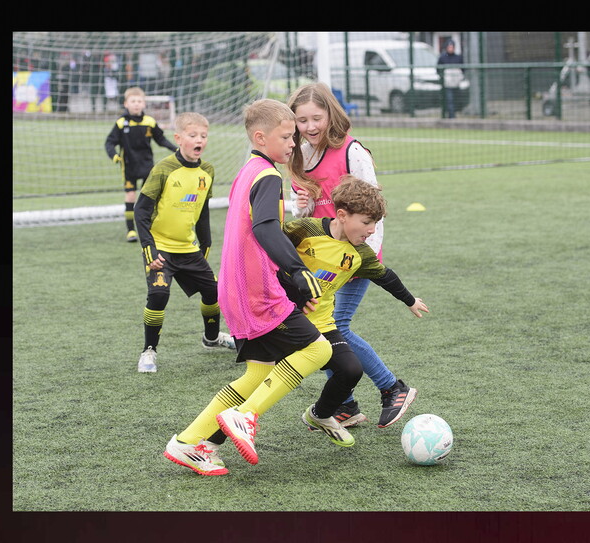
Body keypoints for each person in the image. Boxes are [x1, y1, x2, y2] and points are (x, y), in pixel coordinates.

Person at [163, 99, 332, 476]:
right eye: (286, 136)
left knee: (257, 375)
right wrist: (297, 270)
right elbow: (265, 229)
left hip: (236, 293)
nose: (294, 142)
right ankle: (244, 415)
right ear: (261, 137)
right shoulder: (269, 176)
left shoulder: (248, 171)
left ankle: (188, 443)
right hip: (256, 295)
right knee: (318, 349)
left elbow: (256, 236)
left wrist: (290, 284)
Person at [287, 82, 417, 430]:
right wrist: (300, 206)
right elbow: (305, 218)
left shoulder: (352, 151)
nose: (311, 126)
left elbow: (374, 208)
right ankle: (345, 405)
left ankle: (392, 388)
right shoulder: (298, 153)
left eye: (317, 117)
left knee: (335, 326)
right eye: (302, 120)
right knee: (319, 330)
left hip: (356, 258)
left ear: (331, 114)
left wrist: (368, 256)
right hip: (323, 259)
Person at [284, 176, 429, 446]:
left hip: (321, 325)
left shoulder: (359, 254)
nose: (372, 230)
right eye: (366, 223)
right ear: (342, 215)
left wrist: (409, 300)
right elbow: (269, 249)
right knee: (266, 373)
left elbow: (385, 276)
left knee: (350, 369)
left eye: (375, 223)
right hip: (283, 319)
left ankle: (323, 413)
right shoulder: (303, 229)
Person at [132, 112, 236, 373]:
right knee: (158, 295)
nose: (199, 140)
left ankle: (211, 339)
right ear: (179, 138)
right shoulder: (164, 169)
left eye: (203, 135)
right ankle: (149, 351)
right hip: (161, 249)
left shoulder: (207, 171)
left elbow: (202, 211)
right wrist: (149, 249)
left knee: (214, 292)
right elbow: (141, 211)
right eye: (192, 135)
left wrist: (206, 244)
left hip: (189, 250)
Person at [105, 86, 178, 242]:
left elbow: (161, 140)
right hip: (129, 166)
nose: (136, 104)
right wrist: (115, 156)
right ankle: (131, 230)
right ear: (126, 103)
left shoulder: (149, 122)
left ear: (144, 104)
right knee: (131, 195)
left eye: (139, 101)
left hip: (147, 165)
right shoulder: (121, 123)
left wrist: (176, 149)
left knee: (148, 197)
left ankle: (149, 228)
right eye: (133, 101)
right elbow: (109, 143)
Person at [437, 40, 464, 119]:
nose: (450, 48)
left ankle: (454, 114)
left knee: (456, 100)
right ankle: (451, 116)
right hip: (447, 84)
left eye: (452, 47)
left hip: (457, 83)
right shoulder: (442, 58)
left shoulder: (458, 57)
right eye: (449, 47)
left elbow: (463, 69)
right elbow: (438, 70)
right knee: (449, 99)